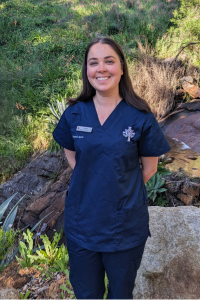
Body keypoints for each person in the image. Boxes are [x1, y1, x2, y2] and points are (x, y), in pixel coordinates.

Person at [53, 37, 171, 299]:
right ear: (87, 71)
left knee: (121, 294)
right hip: (82, 224)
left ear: (121, 68)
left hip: (125, 228)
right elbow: (72, 156)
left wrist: (118, 185)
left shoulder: (140, 116)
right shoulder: (74, 113)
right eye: (93, 63)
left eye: (109, 61)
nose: (101, 69)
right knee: (87, 294)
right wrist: (96, 178)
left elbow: (150, 168)